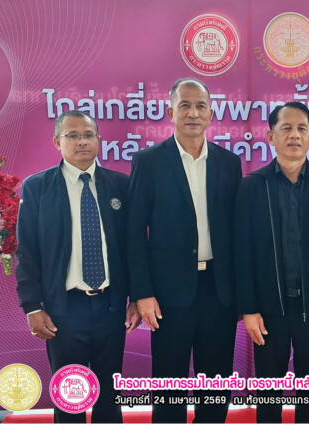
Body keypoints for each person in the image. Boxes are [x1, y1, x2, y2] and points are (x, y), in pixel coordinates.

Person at [127, 78, 241, 423]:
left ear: (211, 113)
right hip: (167, 295)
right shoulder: (148, 161)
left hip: (218, 292)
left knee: (216, 387)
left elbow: (237, 233)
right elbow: (134, 233)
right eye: (185, 105)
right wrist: (142, 293)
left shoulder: (229, 162)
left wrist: (242, 295)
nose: (193, 113)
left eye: (200, 106)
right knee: (169, 387)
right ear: (170, 112)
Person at [15, 110, 141, 423]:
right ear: (57, 142)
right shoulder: (37, 187)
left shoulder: (121, 185)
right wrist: (32, 307)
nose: (82, 141)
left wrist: (137, 297)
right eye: (73, 135)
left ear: (98, 140)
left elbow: (134, 248)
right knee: (70, 395)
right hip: (64, 308)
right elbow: (27, 251)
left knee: (109, 395)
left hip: (111, 306)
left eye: (88, 135)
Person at [235, 101, 309, 423]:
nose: (294, 135)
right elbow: (242, 253)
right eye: (286, 128)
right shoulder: (252, 185)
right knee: (268, 397)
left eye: (302, 128)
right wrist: (248, 309)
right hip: (268, 312)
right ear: (270, 136)